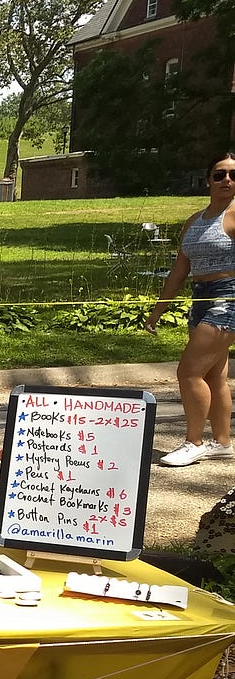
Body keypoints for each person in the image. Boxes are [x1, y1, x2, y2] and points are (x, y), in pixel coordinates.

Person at [144, 151, 235, 467]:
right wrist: (157, 311)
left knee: (189, 371)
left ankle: (193, 442)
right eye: (220, 174)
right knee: (213, 376)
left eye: (233, 175)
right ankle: (222, 443)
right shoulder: (193, 222)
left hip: (229, 297)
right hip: (200, 297)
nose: (227, 180)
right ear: (208, 179)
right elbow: (179, 272)